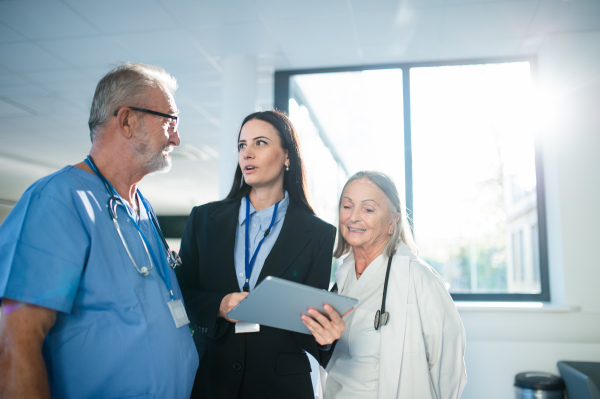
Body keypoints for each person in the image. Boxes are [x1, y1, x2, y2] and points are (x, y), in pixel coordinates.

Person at [0, 62, 199, 398]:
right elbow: (13, 339)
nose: (177, 138)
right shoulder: (60, 199)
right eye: (169, 122)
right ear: (126, 121)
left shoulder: (141, 208)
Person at [177, 110, 337, 398]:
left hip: (282, 386)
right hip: (213, 379)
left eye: (260, 143)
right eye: (242, 145)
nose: (247, 154)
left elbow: (309, 319)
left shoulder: (319, 234)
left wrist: (325, 340)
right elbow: (181, 292)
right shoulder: (203, 219)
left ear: (288, 156)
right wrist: (219, 305)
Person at [302, 171, 467, 399]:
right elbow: (329, 358)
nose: (353, 217)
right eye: (347, 206)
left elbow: (449, 369)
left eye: (368, 209)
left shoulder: (419, 279)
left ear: (393, 221)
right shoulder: (341, 280)